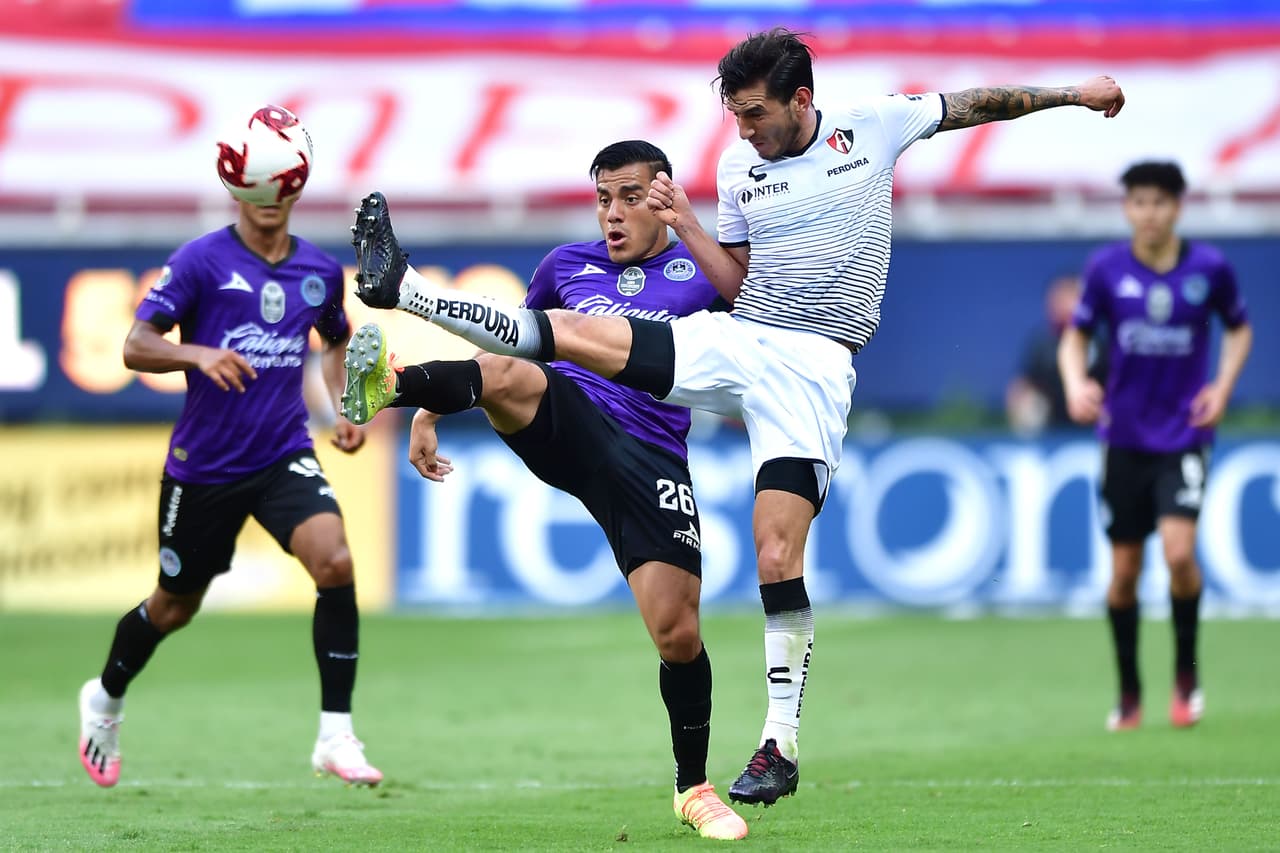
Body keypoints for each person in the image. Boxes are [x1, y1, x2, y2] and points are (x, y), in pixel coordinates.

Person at [349, 28, 1125, 805]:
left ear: (801, 100)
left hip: (816, 367)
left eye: (755, 114)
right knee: (581, 335)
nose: (744, 131)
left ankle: (779, 746)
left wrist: (1072, 94)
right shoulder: (736, 166)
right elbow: (735, 279)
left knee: (776, 550)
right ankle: (406, 289)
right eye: (735, 116)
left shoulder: (877, 125)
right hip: (742, 338)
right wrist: (690, 222)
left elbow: (976, 105)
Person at [341, 141, 748, 840]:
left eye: (628, 196)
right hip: (567, 416)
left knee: (677, 633)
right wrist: (428, 412)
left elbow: (749, 302)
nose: (612, 214)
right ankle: (391, 383)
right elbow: (507, 343)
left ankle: (693, 787)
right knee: (514, 372)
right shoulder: (565, 266)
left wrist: (689, 226)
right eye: (602, 198)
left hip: (650, 454)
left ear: (663, 194)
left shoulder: (698, 268)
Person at [76, 108, 382, 789]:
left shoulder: (317, 271)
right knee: (173, 605)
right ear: (235, 192)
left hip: (282, 454)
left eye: (276, 200)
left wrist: (342, 407)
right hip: (204, 468)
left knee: (334, 560)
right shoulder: (200, 260)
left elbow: (333, 338)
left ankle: (336, 733)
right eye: (251, 200)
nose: (264, 212)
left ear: (295, 193)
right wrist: (198, 353)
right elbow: (134, 344)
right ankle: (104, 698)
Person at [1058, 161, 1251, 731]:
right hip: (1123, 437)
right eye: (1139, 202)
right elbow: (1077, 336)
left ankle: (1186, 679)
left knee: (1179, 554)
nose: (1149, 213)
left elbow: (1240, 328)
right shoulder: (1106, 269)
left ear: (1177, 208)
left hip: (1185, 433)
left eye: (1160, 202)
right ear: (1127, 209)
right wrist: (1076, 383)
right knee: (1123, 573)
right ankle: (1129, 691)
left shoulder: (1209, 268)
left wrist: (1222, 387)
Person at [1006, 274, 1094, 435]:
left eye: (1067, 298)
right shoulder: (1042, 345)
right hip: (1052, 425)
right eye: (1055, 300)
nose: (1060, 305)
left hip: (1092, 422)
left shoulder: (1099, 342)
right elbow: (1022, 386)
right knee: (1032, 404)